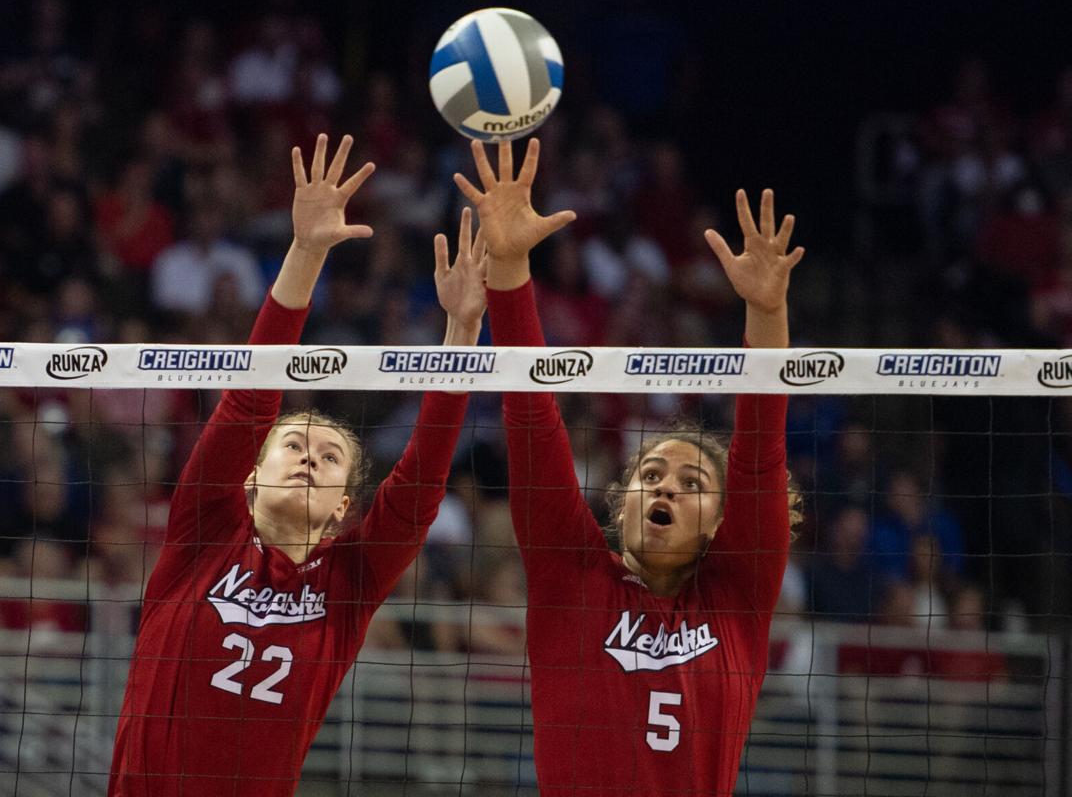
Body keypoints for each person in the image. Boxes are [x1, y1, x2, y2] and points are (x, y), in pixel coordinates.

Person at [110, 134, 485, 796]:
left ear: (345, 507)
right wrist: (306, 250)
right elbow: (250, 399)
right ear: (250, 478)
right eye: (293, 445)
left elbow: (420, 484)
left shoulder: (349, 581)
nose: (310, 455)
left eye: (331, 456)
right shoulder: (205, 533)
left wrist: (461, 336)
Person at [456, 138, 803, 795]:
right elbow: (531, 418)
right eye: (650, 477)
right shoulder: (572, 578)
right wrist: (508, 265)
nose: (665, 485)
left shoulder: (736, 598)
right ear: (622, 506)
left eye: (690, 483)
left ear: (720, 524)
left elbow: (760, 455)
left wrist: (766, 311)